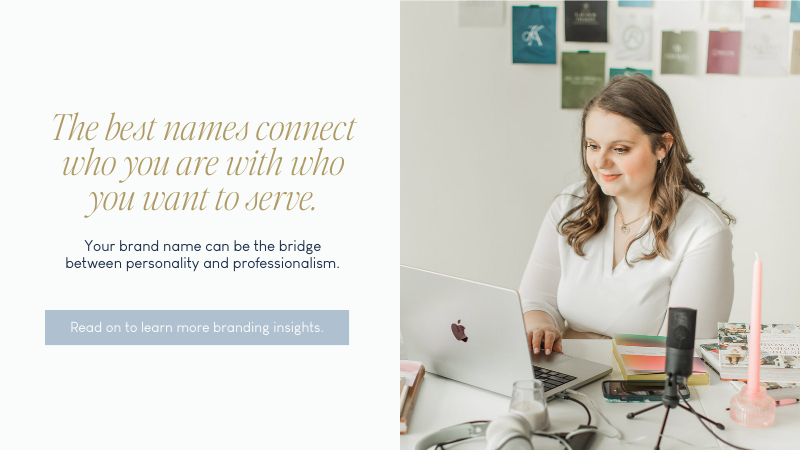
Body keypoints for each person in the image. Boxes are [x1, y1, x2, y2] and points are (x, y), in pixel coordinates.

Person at [519, 74, 735, 355]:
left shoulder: (703, 229)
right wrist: (541, 327)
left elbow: (681, 351)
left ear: (662, 146)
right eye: (592, 146)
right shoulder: (570, 205)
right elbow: (535, 302)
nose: (601, 162)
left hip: (642, 386)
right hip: (566, 370)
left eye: (620, 149)